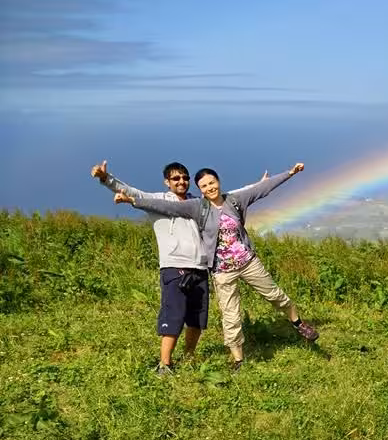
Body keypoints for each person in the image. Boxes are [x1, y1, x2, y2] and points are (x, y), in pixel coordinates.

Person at [113, 162, 317, 369]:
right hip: (222, 270)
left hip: (247, 262)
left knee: (275, 295)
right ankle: (238, 359)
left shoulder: (235, 200)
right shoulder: (198, 207)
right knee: (230, 315)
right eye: (204, 186)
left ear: (218, 182)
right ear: (200, 190)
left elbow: (260, 190)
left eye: (212, 182)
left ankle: (298, 324)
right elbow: (166, 206)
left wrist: (290, 173)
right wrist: (133, 201)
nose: (210, 188)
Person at [91, 160, 262, 375]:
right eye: (176, 178)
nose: (181, 181)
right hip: (174, 267)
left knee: (197, 319)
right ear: (167, 182)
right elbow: (131, 191)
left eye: (185, 178)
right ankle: (165, 364)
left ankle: (189, 356)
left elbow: (228, 197)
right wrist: (106, 178)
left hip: (200, 268)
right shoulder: (159, 201)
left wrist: (258, 185)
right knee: (174, 316)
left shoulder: (200, 204)